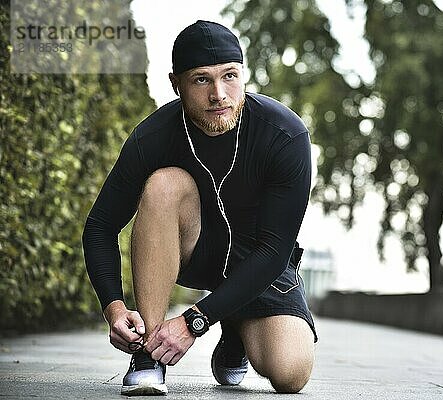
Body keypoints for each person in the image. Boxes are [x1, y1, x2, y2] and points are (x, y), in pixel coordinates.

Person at [82, 20, 317, 396]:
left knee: (290, 374)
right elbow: (100, 226)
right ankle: (147, 355)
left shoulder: (285, 135)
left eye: (230, 76)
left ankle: (235, 332)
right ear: (176, 84)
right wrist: (113, 307)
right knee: (164, 183)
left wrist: (197, 320)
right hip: (198, 249)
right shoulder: (153, 136)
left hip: (260, 262)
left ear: (244, 74)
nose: (219, 94)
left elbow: (274, 251)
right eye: (201, 80)